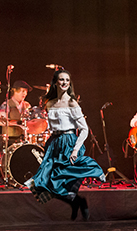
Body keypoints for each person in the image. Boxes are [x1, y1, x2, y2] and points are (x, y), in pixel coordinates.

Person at [24, 69, 105, 221]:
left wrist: (75, 150)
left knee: (60, 178)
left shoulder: (71, 103)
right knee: (42, 184)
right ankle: (76, 202)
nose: (64, 83)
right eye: (61, 80)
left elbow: (84, 129)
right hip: (54, 143)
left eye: (67, 80)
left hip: (68, 142)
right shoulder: (50, 103)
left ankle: (82, 195)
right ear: (55, 82)